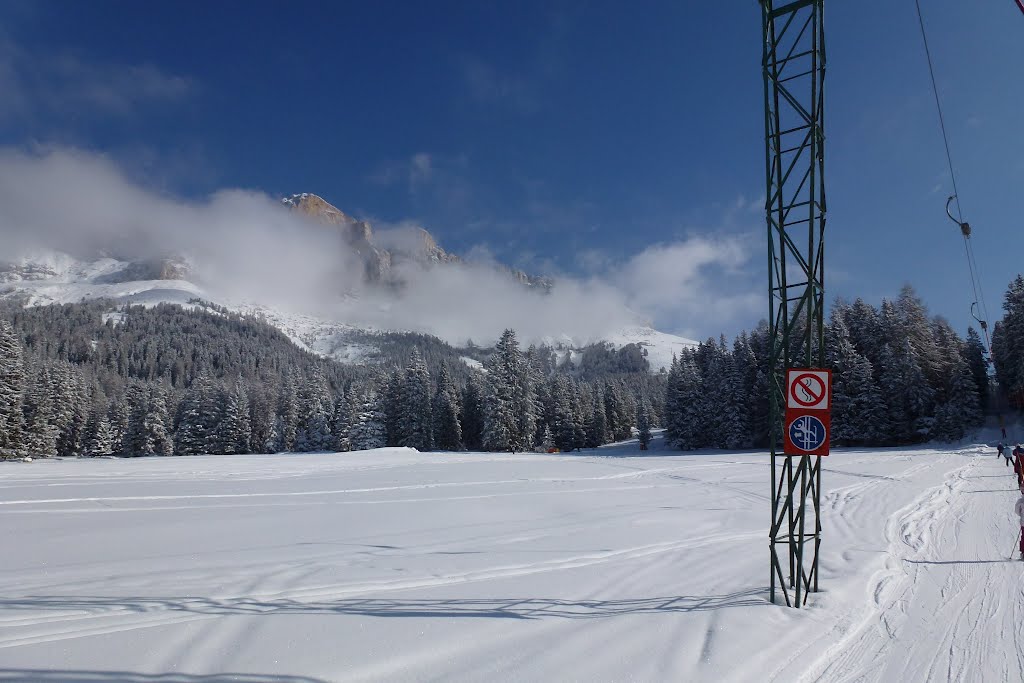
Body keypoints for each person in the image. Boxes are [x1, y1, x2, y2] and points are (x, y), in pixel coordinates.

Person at [1016, 491, 1024, 560]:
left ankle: (1023, 552)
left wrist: (1021, 514)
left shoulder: (1020, 501)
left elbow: (1017, 511)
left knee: (1023, 536)